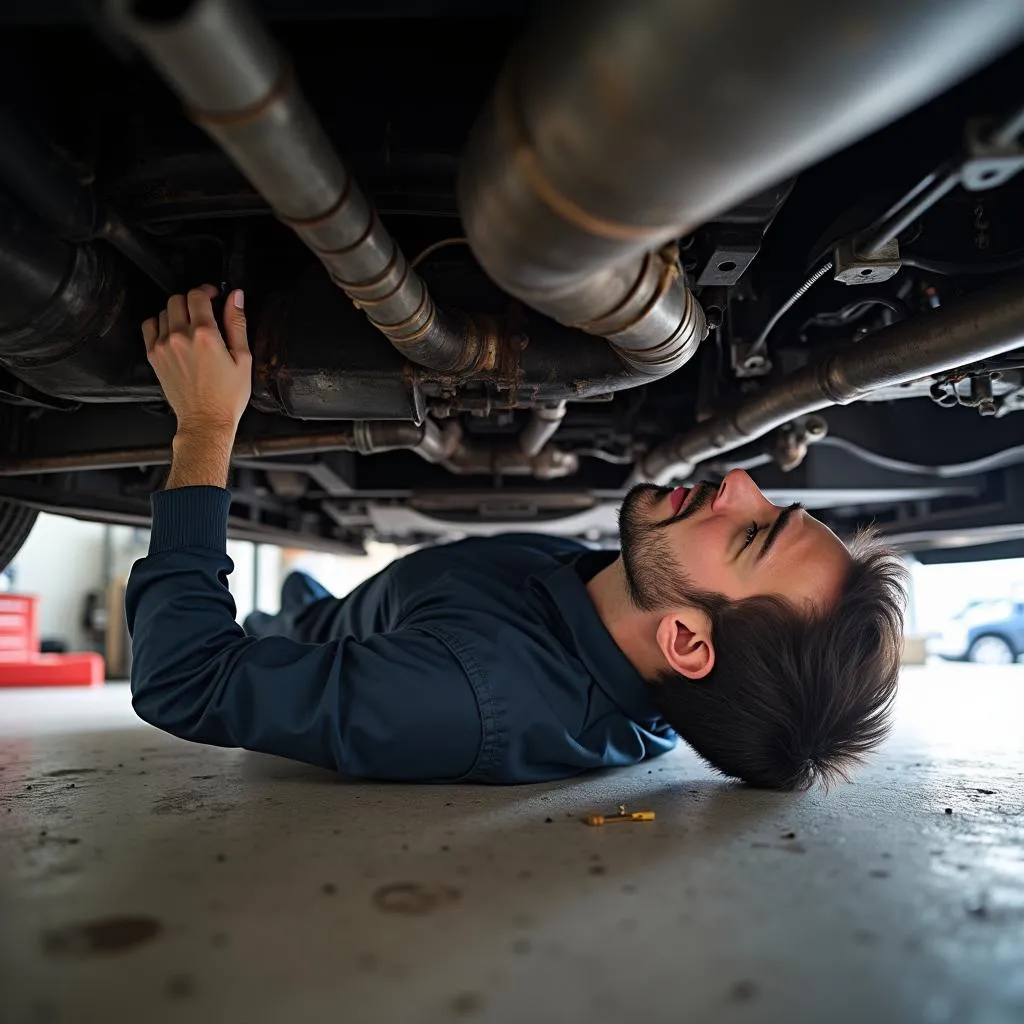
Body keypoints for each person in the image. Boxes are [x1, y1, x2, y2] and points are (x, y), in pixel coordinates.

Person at [127, 286, 907, 790]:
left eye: (754, 535)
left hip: (315, 635)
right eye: (777, 506)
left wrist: (204, 423)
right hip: (385, 605)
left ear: (687, 644)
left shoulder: (464, 700)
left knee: (297, 616)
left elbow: (187, 682)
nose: (740, 485)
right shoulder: (671, 649)